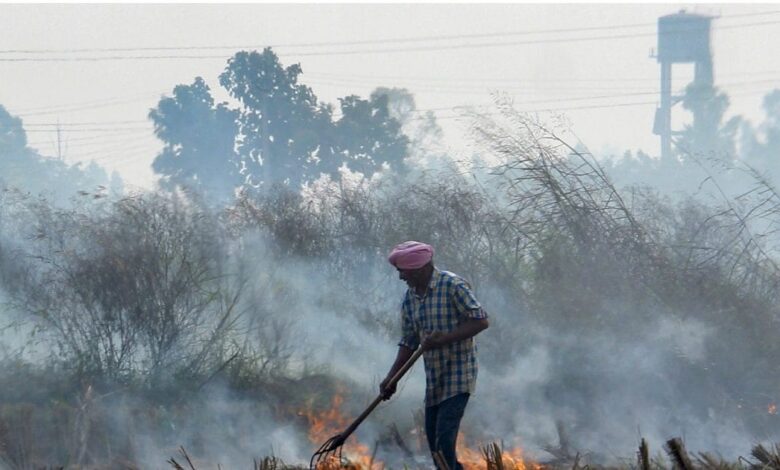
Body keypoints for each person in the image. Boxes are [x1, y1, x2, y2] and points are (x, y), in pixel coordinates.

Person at [380, 241, 489, 470]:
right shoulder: (410, 299)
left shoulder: (453, 286)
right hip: (435, 380)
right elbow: (409, 342)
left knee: (443, 443)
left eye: (403, 271)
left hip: (459, 376)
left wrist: (443, 338)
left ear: (419, 269)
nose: (400, 277)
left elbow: (481, 320)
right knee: (435, 448)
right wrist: (392, 378)